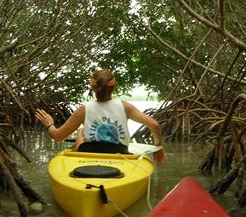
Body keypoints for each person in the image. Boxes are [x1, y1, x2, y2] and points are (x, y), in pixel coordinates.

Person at [35, 69, 165, 165]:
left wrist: (49, 124)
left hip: (88, 152)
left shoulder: (83, 110)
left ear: (93, 89)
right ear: (113, 87)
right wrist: (157, 147)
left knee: (81, 131)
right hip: (119, 152)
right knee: (81, 131)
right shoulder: (126, 107)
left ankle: (80, 133)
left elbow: (57, 136)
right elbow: (154, 125)